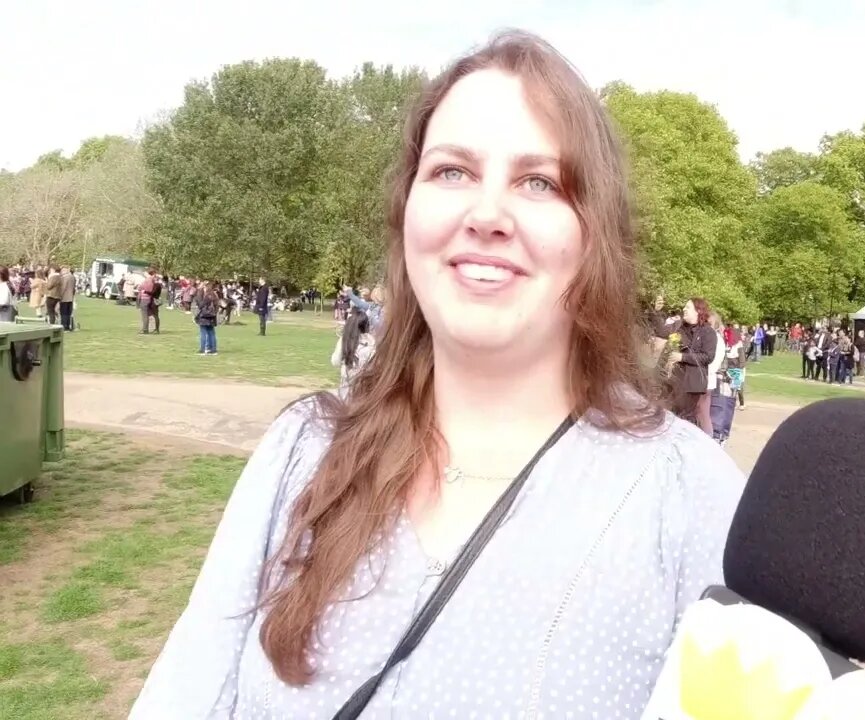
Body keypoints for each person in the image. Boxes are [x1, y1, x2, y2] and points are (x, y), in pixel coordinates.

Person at [130, 30, 744, 719]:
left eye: (538, 182)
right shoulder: (301, 452)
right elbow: (190, 691)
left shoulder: (690, 498)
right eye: (452, 171)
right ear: (407, 209)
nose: (486, 215)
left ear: (594, 235)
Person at [668, 297, 717, 435]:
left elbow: (708, 357)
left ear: (698, 311)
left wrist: (683, 357)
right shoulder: (678, 329)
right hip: (675, 381)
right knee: (672, 417)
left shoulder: (708, 332)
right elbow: (662, 332)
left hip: (693, 385)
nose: (684, 309)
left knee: (687, 420)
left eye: (687, 307)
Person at [329, 309, 375, 398]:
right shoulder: (373, 342)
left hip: (346, 387)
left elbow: (335, 361)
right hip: (367, 388)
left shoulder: (345, 340)